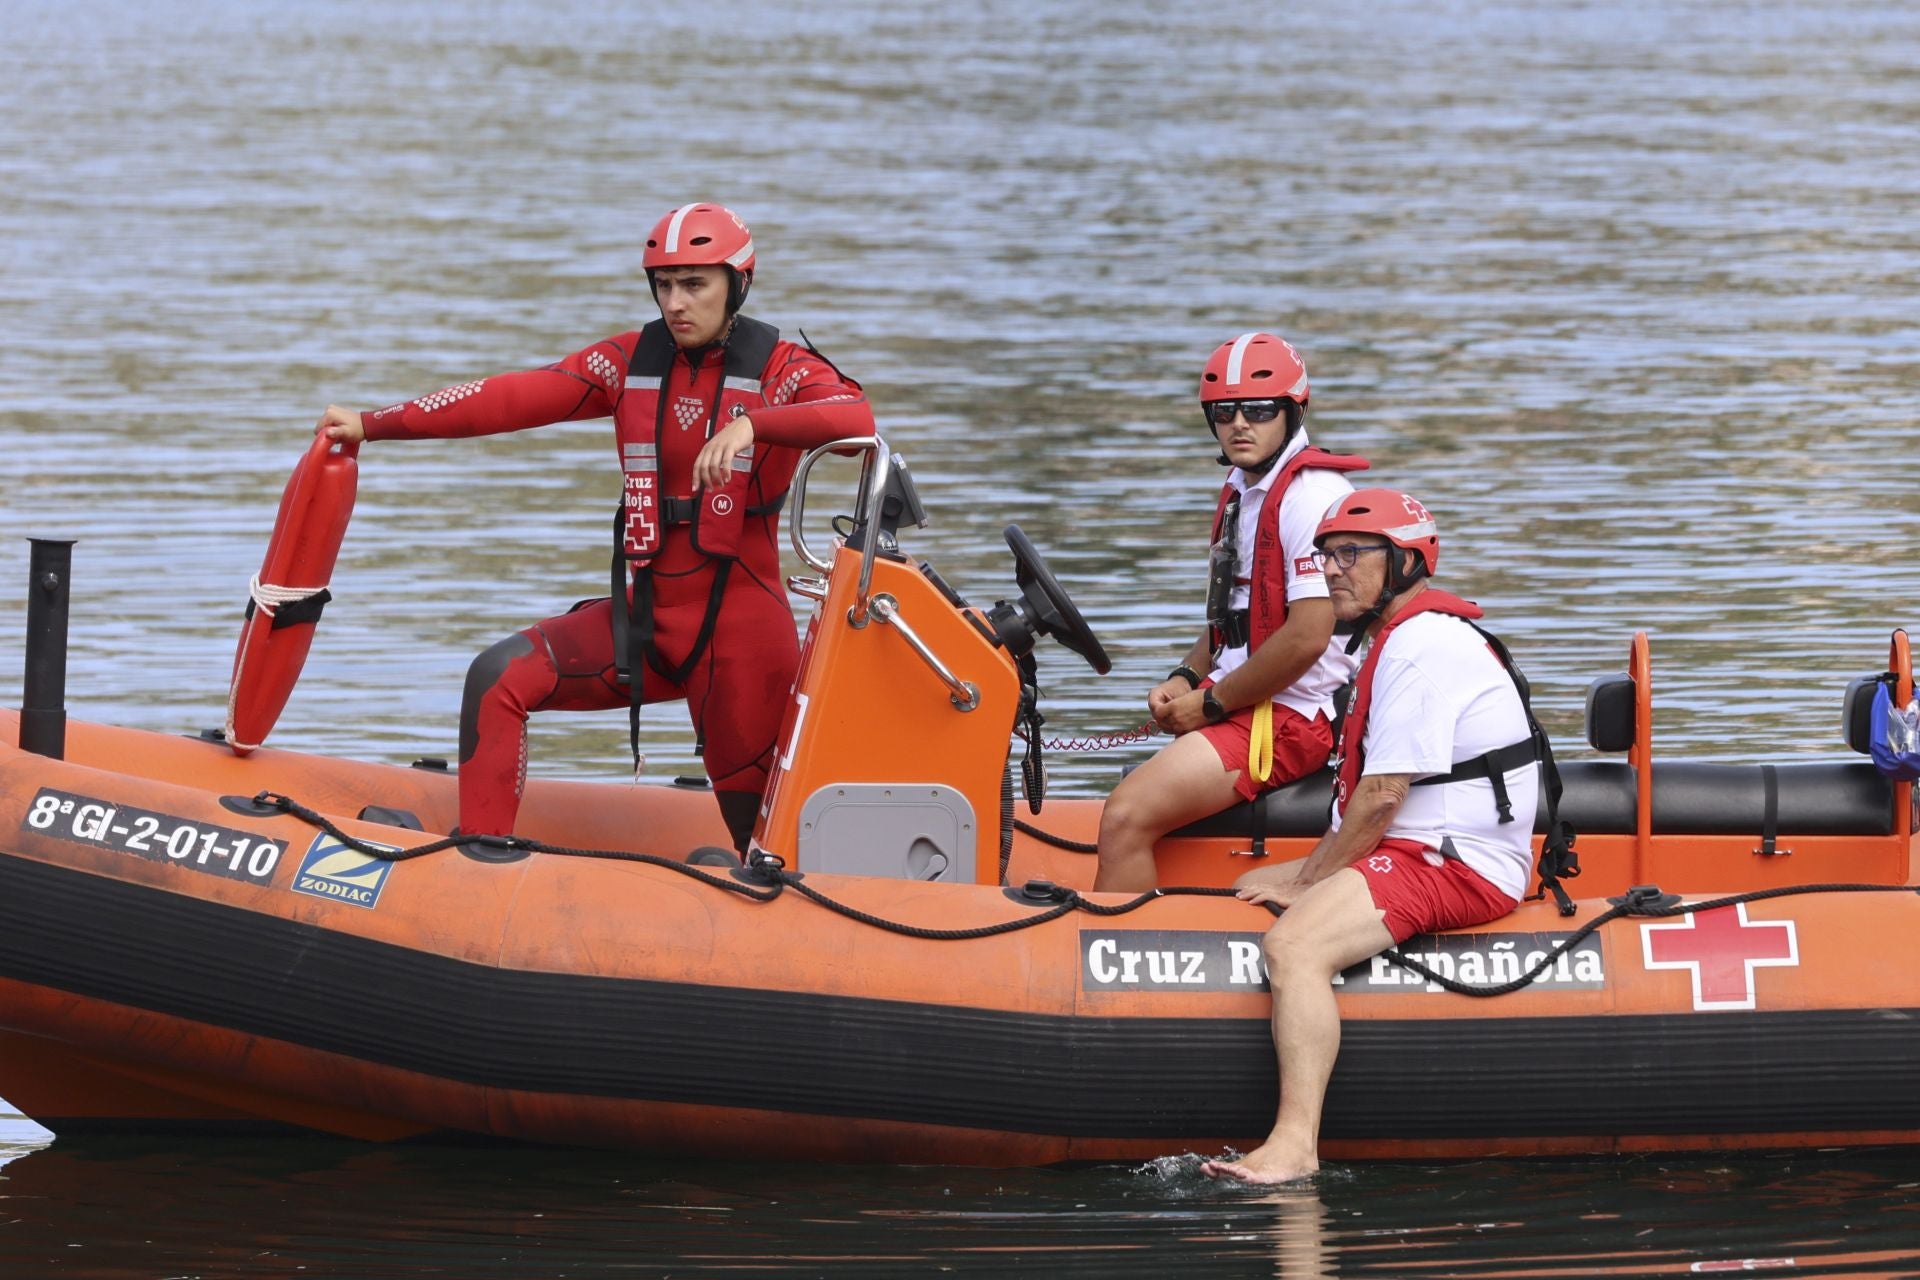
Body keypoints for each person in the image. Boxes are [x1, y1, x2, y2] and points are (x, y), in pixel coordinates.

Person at [315, 203, 874, 853]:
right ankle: (481, 865)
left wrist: (753, 423)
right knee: (497, 678)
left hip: (742, 644)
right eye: (664, 284)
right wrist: (372, 423)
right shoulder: (627, 363)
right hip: (646, 625)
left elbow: (854, 420)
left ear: (738, 284)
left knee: (763, 847)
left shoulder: (784, 369)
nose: (676, 302)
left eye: (695, 284)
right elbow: (507, 398)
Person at [1201, 489, 1540, 1185]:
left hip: (1456, 862)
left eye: (1352, 554)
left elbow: (1383, 795)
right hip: (1415, 847)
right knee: (1245, 886)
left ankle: (1295, 1146)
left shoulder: (1421, 646)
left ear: (1406, 561)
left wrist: (1309, 882)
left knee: (1294, 945)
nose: (1332, 569)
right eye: (1326, 555)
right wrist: (1307, 874)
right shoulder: (1396, 639)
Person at [1093, 333, 1367, 892]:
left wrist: (1212, 702)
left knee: (1124, 816)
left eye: (1259, 410)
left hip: (1294, 715)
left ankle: (1115, 946)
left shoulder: (1311, 497)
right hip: (1249, 698)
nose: (1240, 424)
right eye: (1224, 412)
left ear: (1292, 411)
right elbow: (1236, 618)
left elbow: (1307, 638)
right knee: (1137, 809)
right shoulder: (1245, 487)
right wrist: (1186, 675)